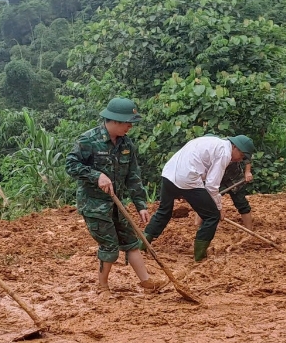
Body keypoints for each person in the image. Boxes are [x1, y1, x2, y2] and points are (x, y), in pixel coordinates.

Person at [65, 97, 165, 292]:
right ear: (115, 121)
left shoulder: (126, 145)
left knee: (131, 240)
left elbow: (133, 177)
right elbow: (71, 165)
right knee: (110, 245)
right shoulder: (88, 140)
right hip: (95, 205)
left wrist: (141, 205)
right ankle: (103, 287)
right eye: (128, 123)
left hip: (117, 204)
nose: (130, 127)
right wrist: (96, 175)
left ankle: (146, 282)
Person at [143, 134, 256, 261]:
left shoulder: (213, 142)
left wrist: (184, 190)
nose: (240, 160)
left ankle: (141, 245)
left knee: (164, 210)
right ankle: (200, 256)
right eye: (241, 156)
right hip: (187, 177)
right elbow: (212, 185)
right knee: (212, 216)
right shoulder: (224, 153)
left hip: (169, 173)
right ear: (235, 147)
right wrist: (218, 208)